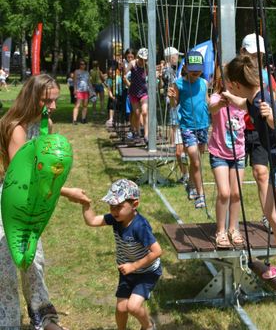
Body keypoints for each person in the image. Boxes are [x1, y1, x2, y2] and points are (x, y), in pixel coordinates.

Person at [0, 74, 90, 329]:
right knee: (5, 266)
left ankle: (44, 318)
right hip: (7, 202)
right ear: (32, 97)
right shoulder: (15, 127)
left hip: (32, 202)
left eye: (55, 101)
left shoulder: (45, 125)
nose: (52, 107)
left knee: (33, 260)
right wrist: (67, 190)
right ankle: (6, 321)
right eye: (47, 101)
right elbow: (23, 178)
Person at [223, 54, 276, 291]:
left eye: (231, 85)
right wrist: (227, 97)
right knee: (270, 213)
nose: (231, 88)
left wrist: (272, 117)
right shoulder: (252, 98)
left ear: (239, 84)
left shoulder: (263, 100)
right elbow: (243, 104)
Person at [81, 179, 161, 330]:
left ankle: (148, 326)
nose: (114, 211)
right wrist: (85, 205)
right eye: (111, 206)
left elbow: (157, 251)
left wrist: (134, 266)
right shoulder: (117, 218)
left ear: (134, 205)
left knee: (133, 307)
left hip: (146, 272)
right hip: (127, 271)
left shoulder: (140, 226)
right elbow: (92, 221)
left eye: (119, 206)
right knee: (121, 308)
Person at [240, 33, 276, 230]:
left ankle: (268, 215)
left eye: (259, 54)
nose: (255, 58)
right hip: (236, 131)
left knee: (261, 173)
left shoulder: (266, 77)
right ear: (243, 52)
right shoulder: (235, 73)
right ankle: (230, 222)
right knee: (234, 177)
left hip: (258, 130)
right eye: (252, 54)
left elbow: (273, 104)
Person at [208, 68, 246, 248]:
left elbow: (251, 105)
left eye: (234, 81)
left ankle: (233, 228)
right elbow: (212, 107)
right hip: (219, 153)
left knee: (236, 193)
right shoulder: (217, 99)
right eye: (227, 81)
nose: (231, 84)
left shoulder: (241, 100)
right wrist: (223, 102)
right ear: (221, 82)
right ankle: (220, 231)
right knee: (224, 193)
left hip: (238, 153)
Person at [168, 50, 210, 209]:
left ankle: (191, 184)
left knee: (197, 160)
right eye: (192, 70)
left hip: (203, 126)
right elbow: (174, 104)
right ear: (185, 67)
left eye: (198, 70)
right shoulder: (179, 83)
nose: (195, 73)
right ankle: (201, 195)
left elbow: (206, 101)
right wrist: (172, 97)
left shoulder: (204, 83)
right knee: (195, 158)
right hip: (187, 127)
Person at [161, 47, 188, 184]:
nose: (178, 58)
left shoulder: (171, 70)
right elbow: (171, 85)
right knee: (173, 123)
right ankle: (186, 174)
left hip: (181, 110)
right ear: (170, 57)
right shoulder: (169, 70)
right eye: (177, 56)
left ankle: (188, 174)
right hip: (175, 104)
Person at [126, 48, 149, 142]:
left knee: (144, 112)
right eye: (141, 58)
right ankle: (137, 132)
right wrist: (128, 84)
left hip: (143, 92)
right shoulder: (133, 63)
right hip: (133, 93)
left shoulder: (146, 66)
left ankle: (146, 135)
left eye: (145, 59)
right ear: (138, 57)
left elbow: (151, 75)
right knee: (136, 113)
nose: (142, 61)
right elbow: (125, 74)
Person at [72, 59, 91, 124]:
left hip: (86, 91)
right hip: (79, 90)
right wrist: (75, 89)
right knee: (77, 105)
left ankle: (83, 119)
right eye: (81, 64)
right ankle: (74, 120)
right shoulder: (76, 71)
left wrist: (90, 90)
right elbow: (74, 81)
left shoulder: (87, 72)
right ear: (79, 65)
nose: (82, 65)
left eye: (84, 64)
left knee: (85, 105)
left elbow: (88, 82)